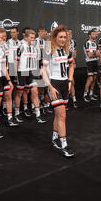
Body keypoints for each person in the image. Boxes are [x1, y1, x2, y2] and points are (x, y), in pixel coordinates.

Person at [41, 26, 75, 157]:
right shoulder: (49, 49)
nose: (63, 39)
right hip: (53, 84)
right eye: (60, 37)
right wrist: (49, 86)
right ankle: (64, 145)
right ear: (54, 37)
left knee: (58, 115)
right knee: (62, 116)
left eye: (65, 37)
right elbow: (43, 70)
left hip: (64, 84)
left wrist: (70, 81)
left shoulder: (67, 50)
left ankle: (55, 138)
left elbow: (71, 65)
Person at [15, 29, 46, 124]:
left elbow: (36, 61)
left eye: (34, 37)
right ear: (25, 37)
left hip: (31, 72)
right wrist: (15, 74)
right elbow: (16, 61)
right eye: (31, 38)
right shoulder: (21, 46)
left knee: (35, 92)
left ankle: (38, 114)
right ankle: (16, 113)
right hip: (22, 72)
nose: (33, 40)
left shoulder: (34, 47)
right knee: (19, 93)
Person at [83, 28, 100, 103]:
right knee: (90, 79)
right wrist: (95, 54)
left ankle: (91, 93)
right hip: (89, 62)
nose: (95, 35)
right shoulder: (87, 42)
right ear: (89, 35)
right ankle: (85, 94)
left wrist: (96, 54)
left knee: (94, 79)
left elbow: (98, 54)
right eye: (93, 34)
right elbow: (89, 55)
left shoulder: (95, 43)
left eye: (95, 34)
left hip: (95, 62)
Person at [67, 29, 78, 108]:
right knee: (65, 84)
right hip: (63, 66)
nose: (69, 35)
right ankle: (65, 101)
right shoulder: (61, 43)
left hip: (70, 65)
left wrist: (73, 62)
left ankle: (74, 100)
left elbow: (74, 53)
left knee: (72, 82)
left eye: (70, 33)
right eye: (68, 34)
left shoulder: (73, 42)